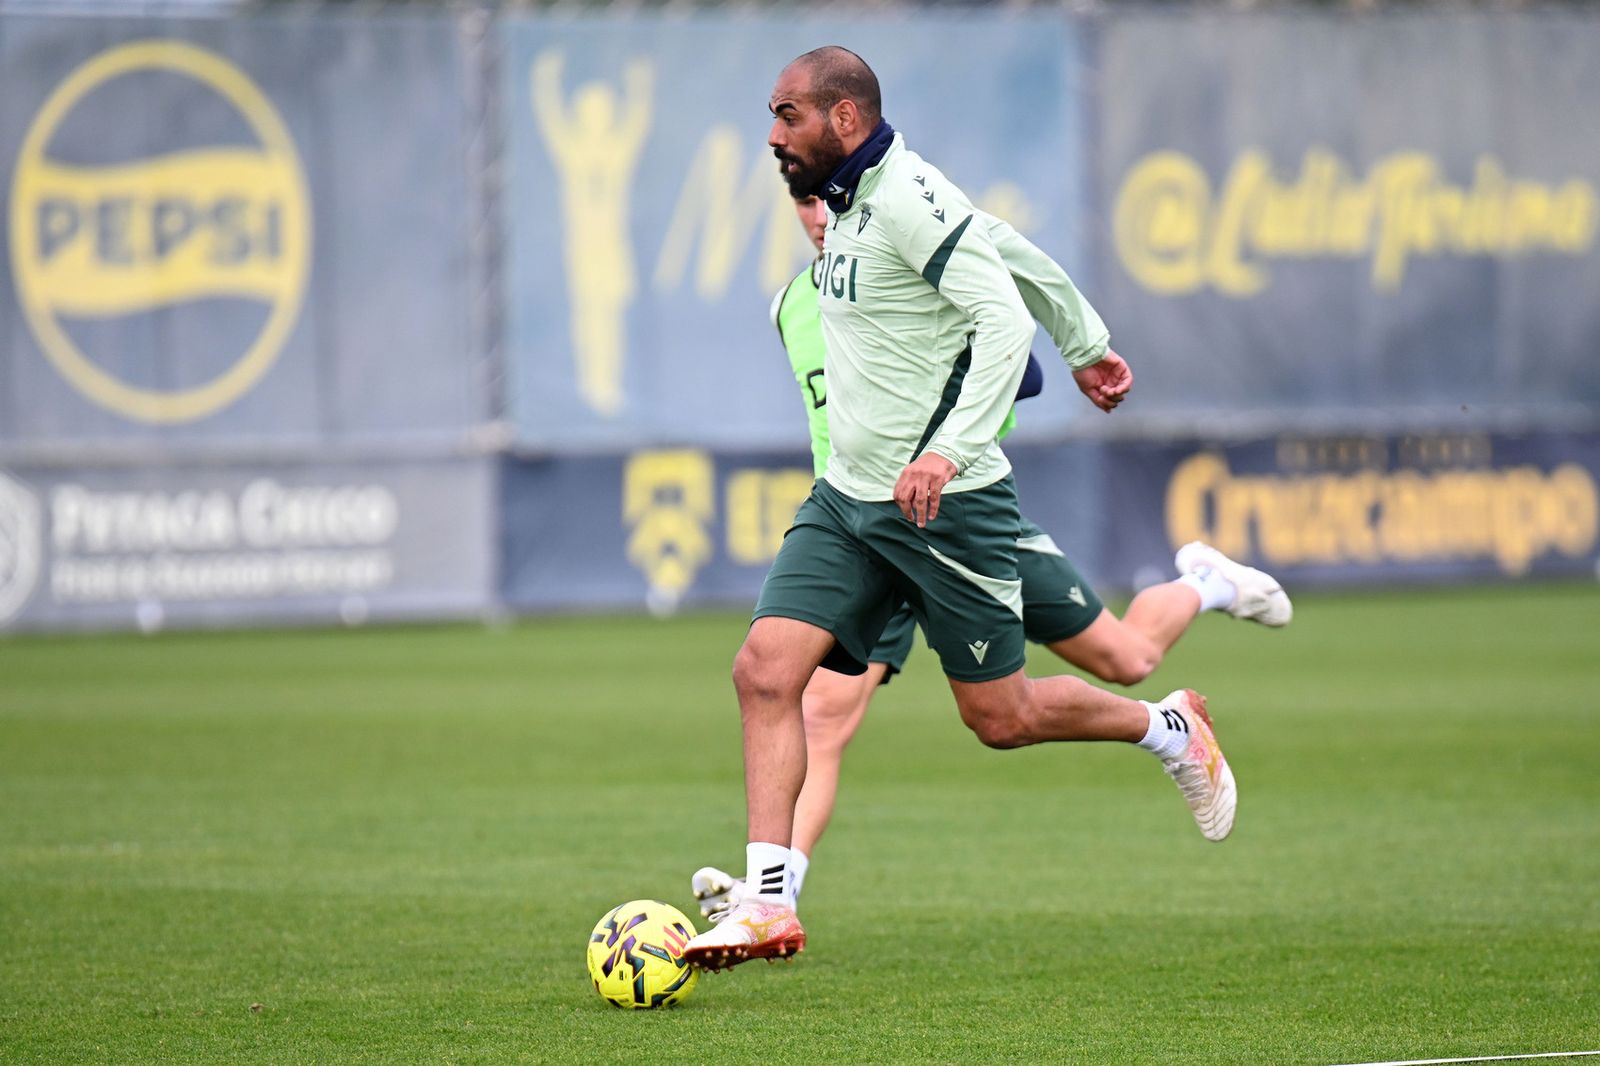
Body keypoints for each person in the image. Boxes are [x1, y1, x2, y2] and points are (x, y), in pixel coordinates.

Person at [681, 47, 1284, 971]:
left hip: (946, 509)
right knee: (767, 673)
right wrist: (1087, 341)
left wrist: (952, 444)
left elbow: (1000, 314)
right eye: (771, 114)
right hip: (849, 501)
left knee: (1007, 714)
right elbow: (1009, 243)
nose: (773, 137)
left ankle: (1166, 724)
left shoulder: (902, 198)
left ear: (845, 121)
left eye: (789, 115)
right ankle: (769, 901)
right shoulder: (844, 213)